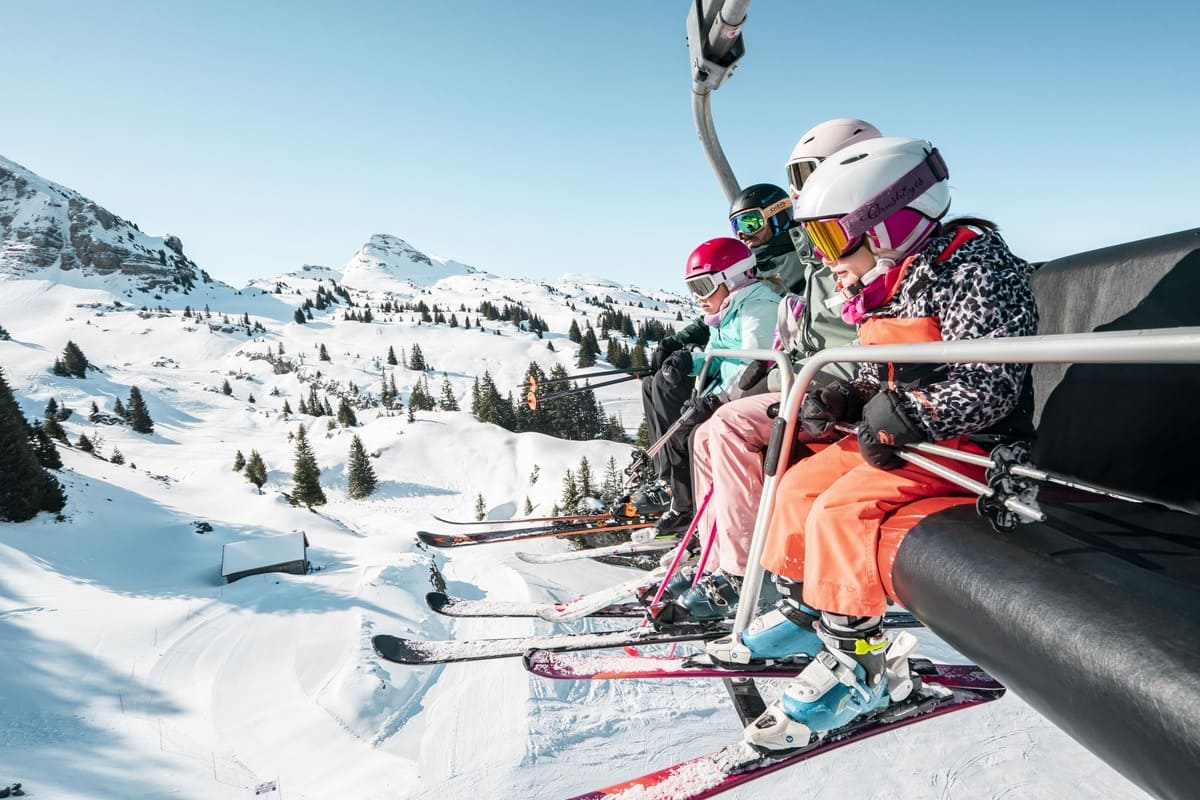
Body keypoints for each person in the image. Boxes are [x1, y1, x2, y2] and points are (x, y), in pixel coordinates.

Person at [705, 136, 1039, 750]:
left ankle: (863, 668)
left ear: (887, 224)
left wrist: (910, 414)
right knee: (797, 486)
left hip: (964, 445)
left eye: (833, 239)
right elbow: (883, 366)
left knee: (841, 511)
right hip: (905, 437)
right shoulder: (901, 275)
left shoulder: (972, 267)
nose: (825, 258)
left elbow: (992, 380)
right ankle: (811, 611)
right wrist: (849, 398)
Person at [659, 119, 883, 621]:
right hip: (808, 376)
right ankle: (716, 555)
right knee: (704, 435)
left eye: (811, 179)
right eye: (800, 182)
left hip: (836, 383)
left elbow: (849, 333)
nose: (807, 193)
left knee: (730, 427)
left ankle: (742, 576)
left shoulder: (865, 249)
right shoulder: (820, 252)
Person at [636, 237, 780, 535]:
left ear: (734, 278)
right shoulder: (726, 312)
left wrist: (718, 400)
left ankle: (698, 516)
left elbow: (756, 366)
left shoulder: (758, 308)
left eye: (703, 286)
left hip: (751, 396)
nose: (698, 297)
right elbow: (717, 357)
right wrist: (690, 362)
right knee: (679, 424)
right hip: (727, 393)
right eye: (692, 289)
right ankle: (686, 508)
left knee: (692, 436)